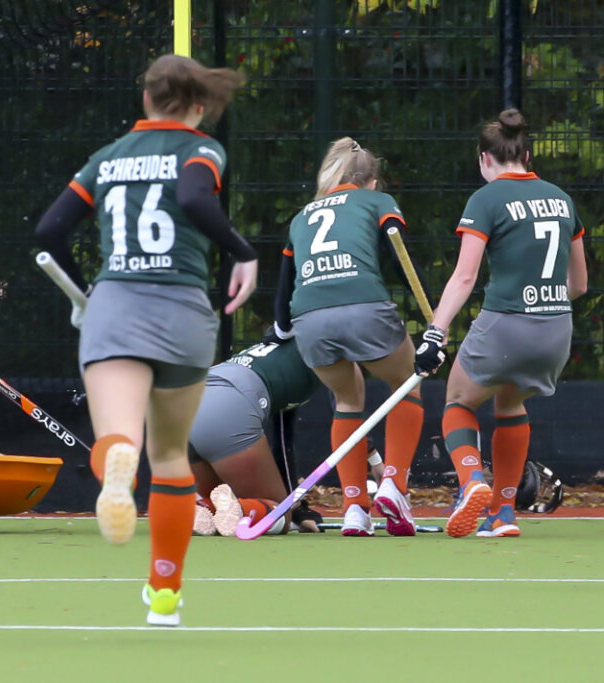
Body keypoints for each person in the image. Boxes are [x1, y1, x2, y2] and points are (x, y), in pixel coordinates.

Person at [35, 54, 257, 626]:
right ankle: (164, 593)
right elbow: (194, 198)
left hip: (115, 308)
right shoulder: (202, 149)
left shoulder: (108, 157)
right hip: (183, 312)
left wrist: (87, 292)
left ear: (146, 101)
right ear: (199, 106)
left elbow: (50, 229)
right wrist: (242, 251)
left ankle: (117, 463)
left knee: (119, 435)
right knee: (171, 455)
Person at [414, 109, 587, 538]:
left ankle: (473, 481)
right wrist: (542, 304)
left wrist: (436, 331)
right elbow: (580, 284)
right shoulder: (562, 199)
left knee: (458, 401)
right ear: (527, 155)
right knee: (510, 405)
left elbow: (465, 276)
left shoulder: (486, 199)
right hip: (555, 330)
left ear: (484, 159)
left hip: (506, 324)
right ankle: (503, 514)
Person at [273, 137, 431, 538]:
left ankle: (354, 509)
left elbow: (284, 285)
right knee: (406, 382)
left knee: (347, 400)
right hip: (364, 307)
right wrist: (431, 314)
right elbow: (398, 254)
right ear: (371, 181)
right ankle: (394, 484)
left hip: (309, 319)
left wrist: (282, 328)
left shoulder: (301, 216)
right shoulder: (377, 201)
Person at [187, 333, 322, 536]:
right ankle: (240, 511)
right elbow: (283, 442)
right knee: (279, 515)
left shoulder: (280, 348)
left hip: (186, 405)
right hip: (227, 408)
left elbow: (282, 440)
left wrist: (296, 504)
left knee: (220, 500)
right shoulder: (321, 352)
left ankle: (197, 507)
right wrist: (294, 509)